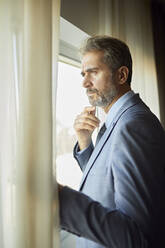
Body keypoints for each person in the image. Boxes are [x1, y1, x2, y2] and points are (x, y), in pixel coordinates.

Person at [58, 36, 165, 248]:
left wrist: (59, 200)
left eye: (93, 72)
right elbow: (109, 183)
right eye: (83, 74)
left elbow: (136, 236)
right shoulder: (119, 120)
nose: (84, 83)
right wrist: (85, 143)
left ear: (122, 74)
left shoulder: (133, 125)